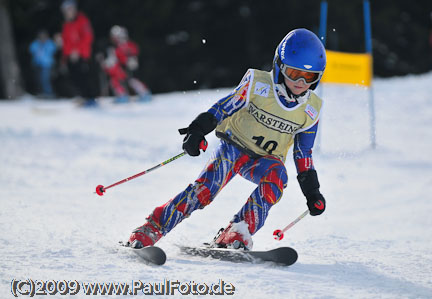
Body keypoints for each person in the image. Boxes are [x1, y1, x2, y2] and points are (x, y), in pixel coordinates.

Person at [128, 28, 327, 250]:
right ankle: (153, 227)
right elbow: (225, 106)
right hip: (233, 148)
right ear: (280, 67)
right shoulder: (258, 85)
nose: (300, 82)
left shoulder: (311, 109)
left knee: (278, 176)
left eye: (309, 76)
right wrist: (198, 129)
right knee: (205, 190)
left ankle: (237, 232)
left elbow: (303, 154)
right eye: (293, 72)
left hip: (263, 161)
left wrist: (312, 192)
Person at [60, 0, 96, 106]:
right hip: (71, 57)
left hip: (83, 55)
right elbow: (66, 42)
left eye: (70, 9)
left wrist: (77, 50)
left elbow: (88, 37)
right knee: (75, 77)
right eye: (66, 10)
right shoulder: (66, 24)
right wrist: (65, 56)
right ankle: (82, 97)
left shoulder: (82, 20)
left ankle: (90, 98)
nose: (68, 12)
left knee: (84, 76)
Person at [101, 25, 151, 103]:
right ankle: (122, 95)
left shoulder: (128, 45)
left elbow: (134, 52)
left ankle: (144, 93)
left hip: (130, 69)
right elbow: (112, 60)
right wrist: (107, 65)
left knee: (133, 80)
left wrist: (131, 58)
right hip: (120, 70)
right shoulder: (113, 48)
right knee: (114, 81)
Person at [29, 30, 57, 97]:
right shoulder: (36, 43)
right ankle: (41, 92)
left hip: (47, 65)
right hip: (37, 64)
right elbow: (31, 49)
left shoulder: (49, 43)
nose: (42, 38)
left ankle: (49, 93)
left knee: (45, 79)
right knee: (38, 79)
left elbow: (53, 50)